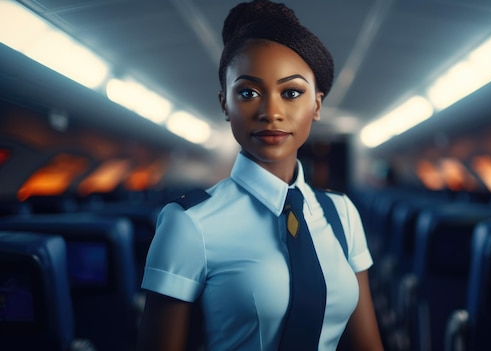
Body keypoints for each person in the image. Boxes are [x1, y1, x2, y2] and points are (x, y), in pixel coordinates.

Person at [136, 1, 384, 350]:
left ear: (316, 105)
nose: (271, 112)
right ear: (225, 103)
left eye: (292, 93)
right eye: (249, 92)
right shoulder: (189, 223)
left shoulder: (343, 215)